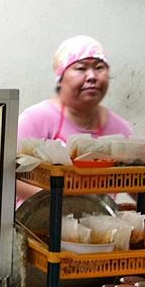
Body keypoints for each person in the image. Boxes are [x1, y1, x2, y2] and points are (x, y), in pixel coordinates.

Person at [16, 35, 132, 201]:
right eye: (81, 68)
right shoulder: (36, 119)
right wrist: (61, 203)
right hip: (39, 222)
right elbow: (8, 175)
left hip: (102, 224)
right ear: (61, 79)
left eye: (99, 67)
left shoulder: (121, 130)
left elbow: (135, 180)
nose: (92, 76)